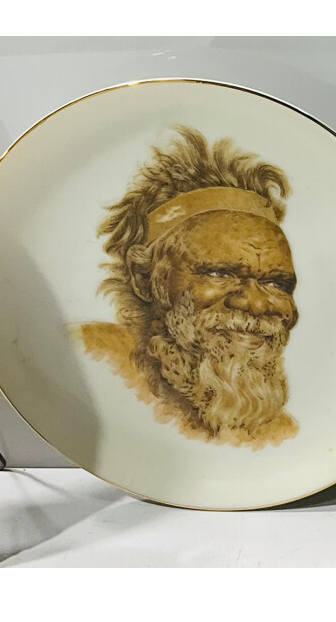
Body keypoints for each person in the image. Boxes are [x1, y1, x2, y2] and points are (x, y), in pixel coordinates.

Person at [78, 127, 299, 448]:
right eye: (221, 274)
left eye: (277, 283)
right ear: (145, 278)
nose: (256, 303)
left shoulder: (279, 431)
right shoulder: (91, 366)